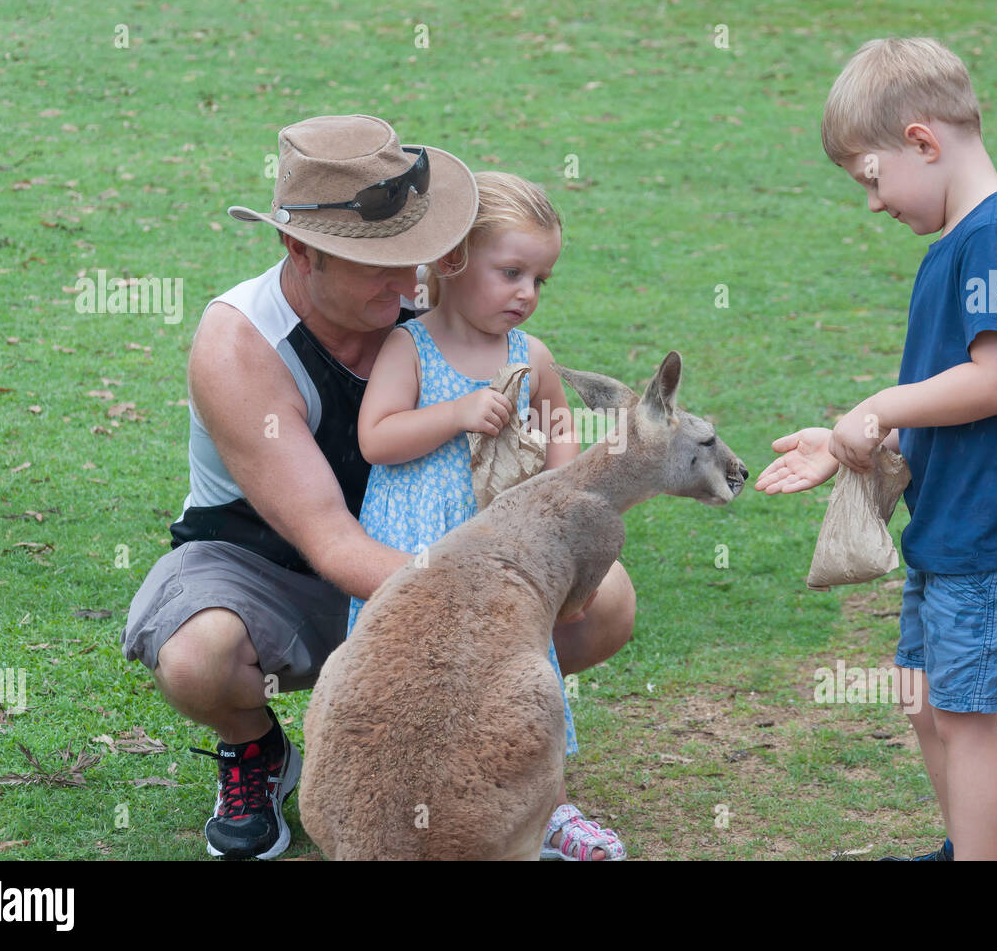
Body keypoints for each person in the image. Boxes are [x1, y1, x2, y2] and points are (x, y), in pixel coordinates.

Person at [120, 115, 636, 860]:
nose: (409, 283)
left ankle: (467, 754)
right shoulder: (241, 342)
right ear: (300, 249)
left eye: (414, 255)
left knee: (607, 597)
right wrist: (486, 606)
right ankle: (257, 751)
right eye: (378, 265)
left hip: (428, 551)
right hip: (272, 568)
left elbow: (537, 404)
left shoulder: (428, 299)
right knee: (199, 653)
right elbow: (328, 537)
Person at [755, 38, 997, 861]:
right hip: (953, 524)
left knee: (965, 717)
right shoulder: (961, 244)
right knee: (922, 695)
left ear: (922, 142)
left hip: (995, 530)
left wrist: (878, 405)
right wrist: (850, 439)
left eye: (871, 177)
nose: (872, 203)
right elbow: (956, 399)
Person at [351, 170, 625, 860]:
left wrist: (570, 508)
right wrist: (455, 414)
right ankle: (405, 812)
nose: (527, 294)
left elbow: (565, 449)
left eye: (541, 279)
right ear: (451, 262)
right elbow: (375, 436)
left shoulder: (531, 358)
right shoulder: (408, 347)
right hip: (420, 548)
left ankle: (547, 811)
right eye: (511, 273)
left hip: (508, 560)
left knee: (516, 675)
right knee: (416, 682)